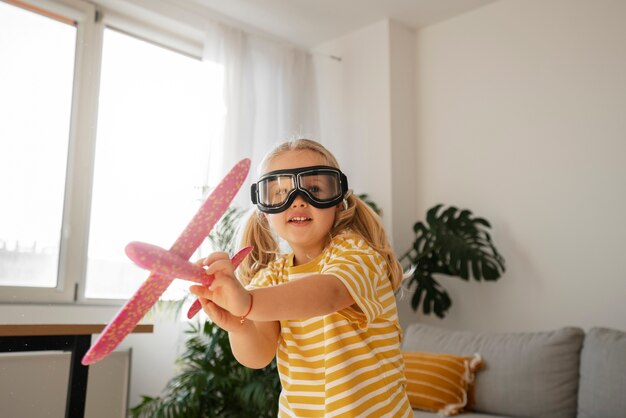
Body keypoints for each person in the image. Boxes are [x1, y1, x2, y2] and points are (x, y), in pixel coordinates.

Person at [190, 139, 412, 417]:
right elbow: (258, 355)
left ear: (337, 199)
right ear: (265, 210)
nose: (297, 200)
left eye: (314, 189)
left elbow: (328, 295)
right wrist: (238, 325)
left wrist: (247, 302)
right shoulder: (270, 278)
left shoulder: (357, 254)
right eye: (280, 192)